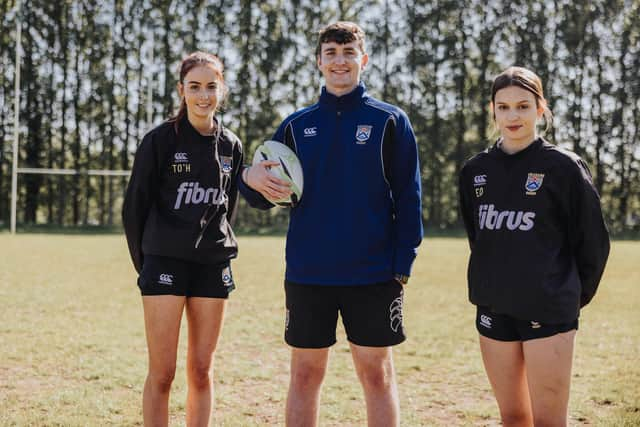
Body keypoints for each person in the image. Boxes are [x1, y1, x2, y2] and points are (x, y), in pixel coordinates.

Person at [239, 21, 423, 427]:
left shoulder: (390, 121)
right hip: (309, 273)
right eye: (331, 54)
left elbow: (409, 197)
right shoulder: (295, 125)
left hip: (374, 274)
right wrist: (248, 179)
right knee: (305, 374)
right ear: (318, 62)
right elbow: (263, 192)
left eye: (348, 53)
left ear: (364, 59)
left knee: (377, 373)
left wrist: (402, 264)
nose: (340, 62)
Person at [458, 66, 610, 426]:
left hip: (549, 309)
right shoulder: (474, 170)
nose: (513, 115)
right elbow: (478, 236)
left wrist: (567, 296)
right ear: (492, 110)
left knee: (548, 421)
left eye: (523, 106)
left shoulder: (564, 167)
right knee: (512, 417)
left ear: (541, 109)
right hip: (494, 308)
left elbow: (593, 244)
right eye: (504, 106)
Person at [122, 51, 244, 426]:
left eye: (211, 86)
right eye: (195, 87)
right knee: (163, 373)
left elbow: (228, 208)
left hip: (212, 266)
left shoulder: (231, 146)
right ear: (182, 90)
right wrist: (148, 264)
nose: (203, 95)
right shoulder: (159, 141)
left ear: (221, 89)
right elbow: (133, 209)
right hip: (164, 265)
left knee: (202, 371)